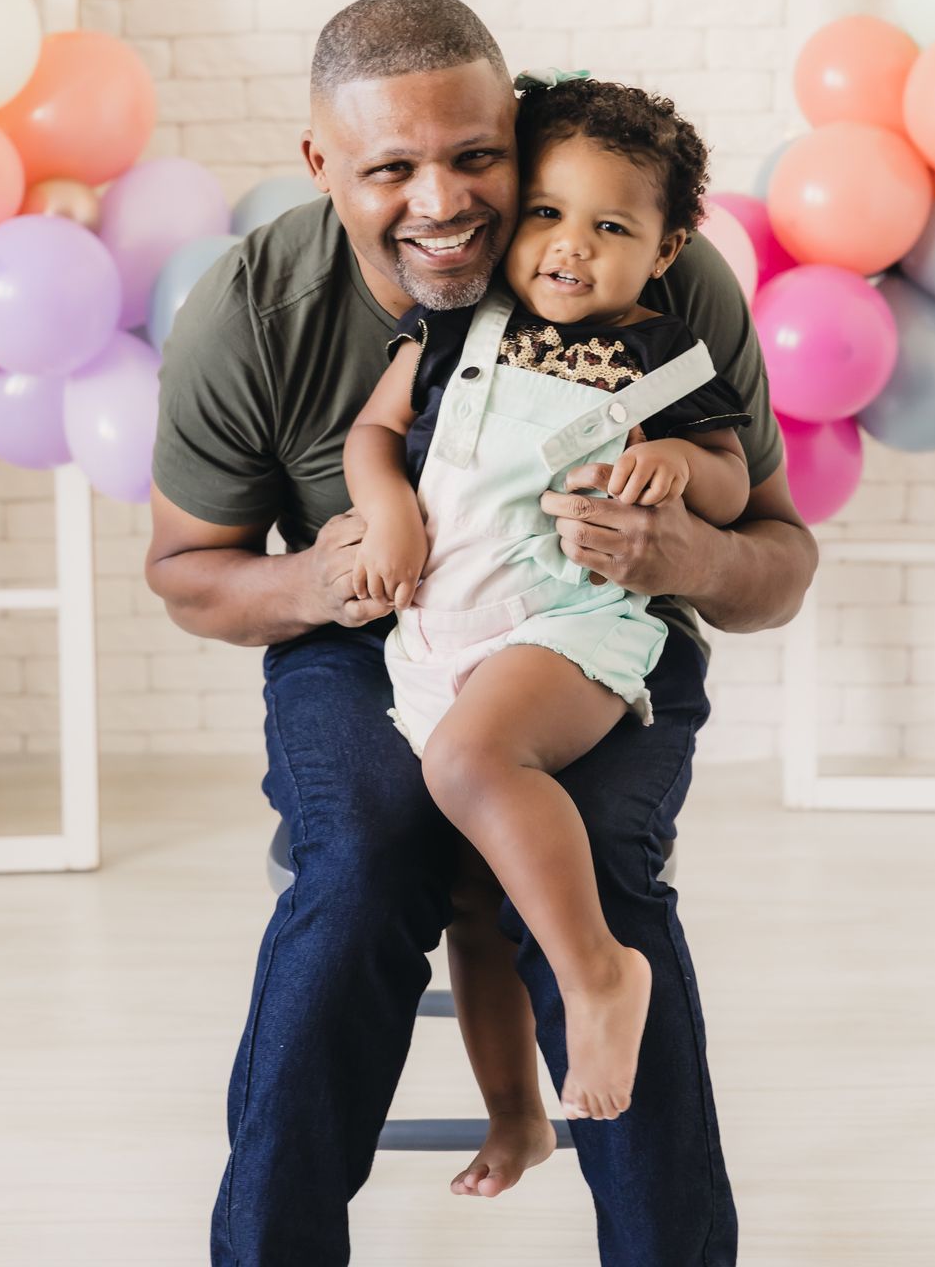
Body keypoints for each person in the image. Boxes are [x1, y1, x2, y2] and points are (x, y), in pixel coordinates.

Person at [145, 0, 817, 1267]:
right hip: (378, 632)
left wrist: (688, 549)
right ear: (320, 164)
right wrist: (328, 575)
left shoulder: (647, 273)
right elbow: (188, 575)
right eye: (390, 169)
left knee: (600, 869)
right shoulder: (258, 311)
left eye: (474, 156)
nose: (444, 203)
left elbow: (777, 561)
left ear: (517, 127)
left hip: (593, 626)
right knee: (359, 864)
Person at [345, 74, 753, 1152]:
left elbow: (731, 481)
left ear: (664, 251)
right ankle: (517, 1114)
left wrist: (676, 465)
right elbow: (373, 435)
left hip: (565, 624)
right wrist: (386, 511)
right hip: (437, 631)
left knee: (472, 762)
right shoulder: (454, 323)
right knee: (476, 898)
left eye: (611, 227)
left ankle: (601, 974)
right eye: (547, 212)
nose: (571, 246)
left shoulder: (664, 354)